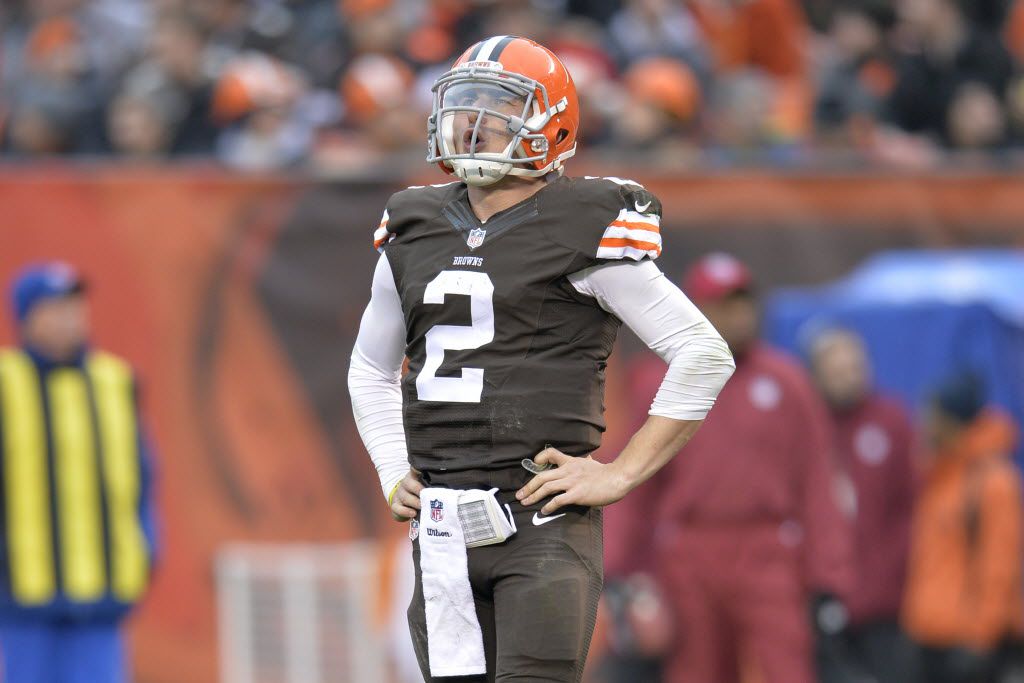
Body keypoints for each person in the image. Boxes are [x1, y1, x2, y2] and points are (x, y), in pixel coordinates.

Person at [348, 35, 736, 682]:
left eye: (495, 105)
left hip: (539, 523)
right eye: (464, 103)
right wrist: (393, 466)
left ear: (547, 123)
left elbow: (702, 351)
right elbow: (370, 368)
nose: (471, 121)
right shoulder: (412, 225)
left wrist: (618, 473)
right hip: (439, 530)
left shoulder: (583, 221)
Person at [604, 252, 853, 683]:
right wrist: (616, 567)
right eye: (722, 304)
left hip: (769, 546)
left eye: (743, 302)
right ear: (695, 309)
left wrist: (828, 578)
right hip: (689, 549)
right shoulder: (659, 380)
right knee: (696, 671)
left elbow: (816, 483)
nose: (737, 315)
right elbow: (633, 480)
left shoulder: (786, 382)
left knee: (786, 666)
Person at [0, 262, 158, 683]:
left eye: (74, 305)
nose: (69, 316)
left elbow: (142, 479)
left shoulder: (115, 381)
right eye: (54, 307)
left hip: (100, 597)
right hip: (21, 598)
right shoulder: (6, 382)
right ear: (27, 317)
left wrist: (145, 549)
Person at [807, 326, 919, 683]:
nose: (848, 379)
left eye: (854, 368)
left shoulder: (891, 421)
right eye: (837, 371)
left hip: (887, 598)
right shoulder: (808, 426)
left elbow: (912, 506)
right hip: (821, 599)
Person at [902, 372, 1022, 683]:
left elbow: (1000, 568)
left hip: (968, 643)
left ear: (952, 422)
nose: (924, 423)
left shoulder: (993, 482)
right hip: (931, 635)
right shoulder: (940, 475)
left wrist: (980, 640)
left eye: (932, 414)